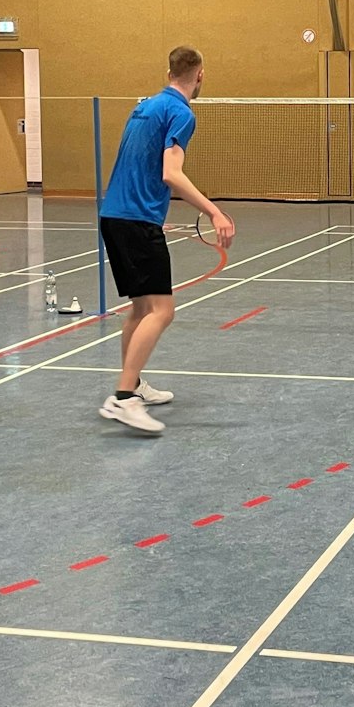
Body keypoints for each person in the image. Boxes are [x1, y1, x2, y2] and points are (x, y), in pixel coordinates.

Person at [97, 46, 235, 434]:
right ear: (200, 74)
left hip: (115, 215)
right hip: (136, 221)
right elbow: (171, 173)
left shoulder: (145, 106)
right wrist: (214, 211)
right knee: (162, 310)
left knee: (141, 309)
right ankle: (124, 399)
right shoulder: (181, 112)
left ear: (169, 70)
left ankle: (134, 385)